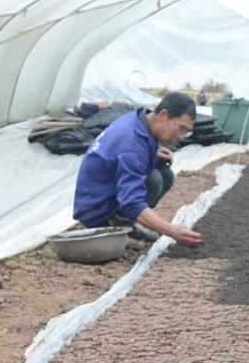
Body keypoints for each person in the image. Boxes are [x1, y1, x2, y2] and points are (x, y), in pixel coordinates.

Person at [71, 91, 204, 247]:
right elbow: (131, 201)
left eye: (186, 131)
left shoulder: (140, 120)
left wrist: (151, 155)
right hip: (95, 208)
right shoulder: (130, 143)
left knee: (165, 174)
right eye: (181, 128)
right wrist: (171, 231)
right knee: (153, 180)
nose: (181, 136)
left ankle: (126, 224)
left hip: (104, 192)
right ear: (163, 114)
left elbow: (123, 158)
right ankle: (110, 228)